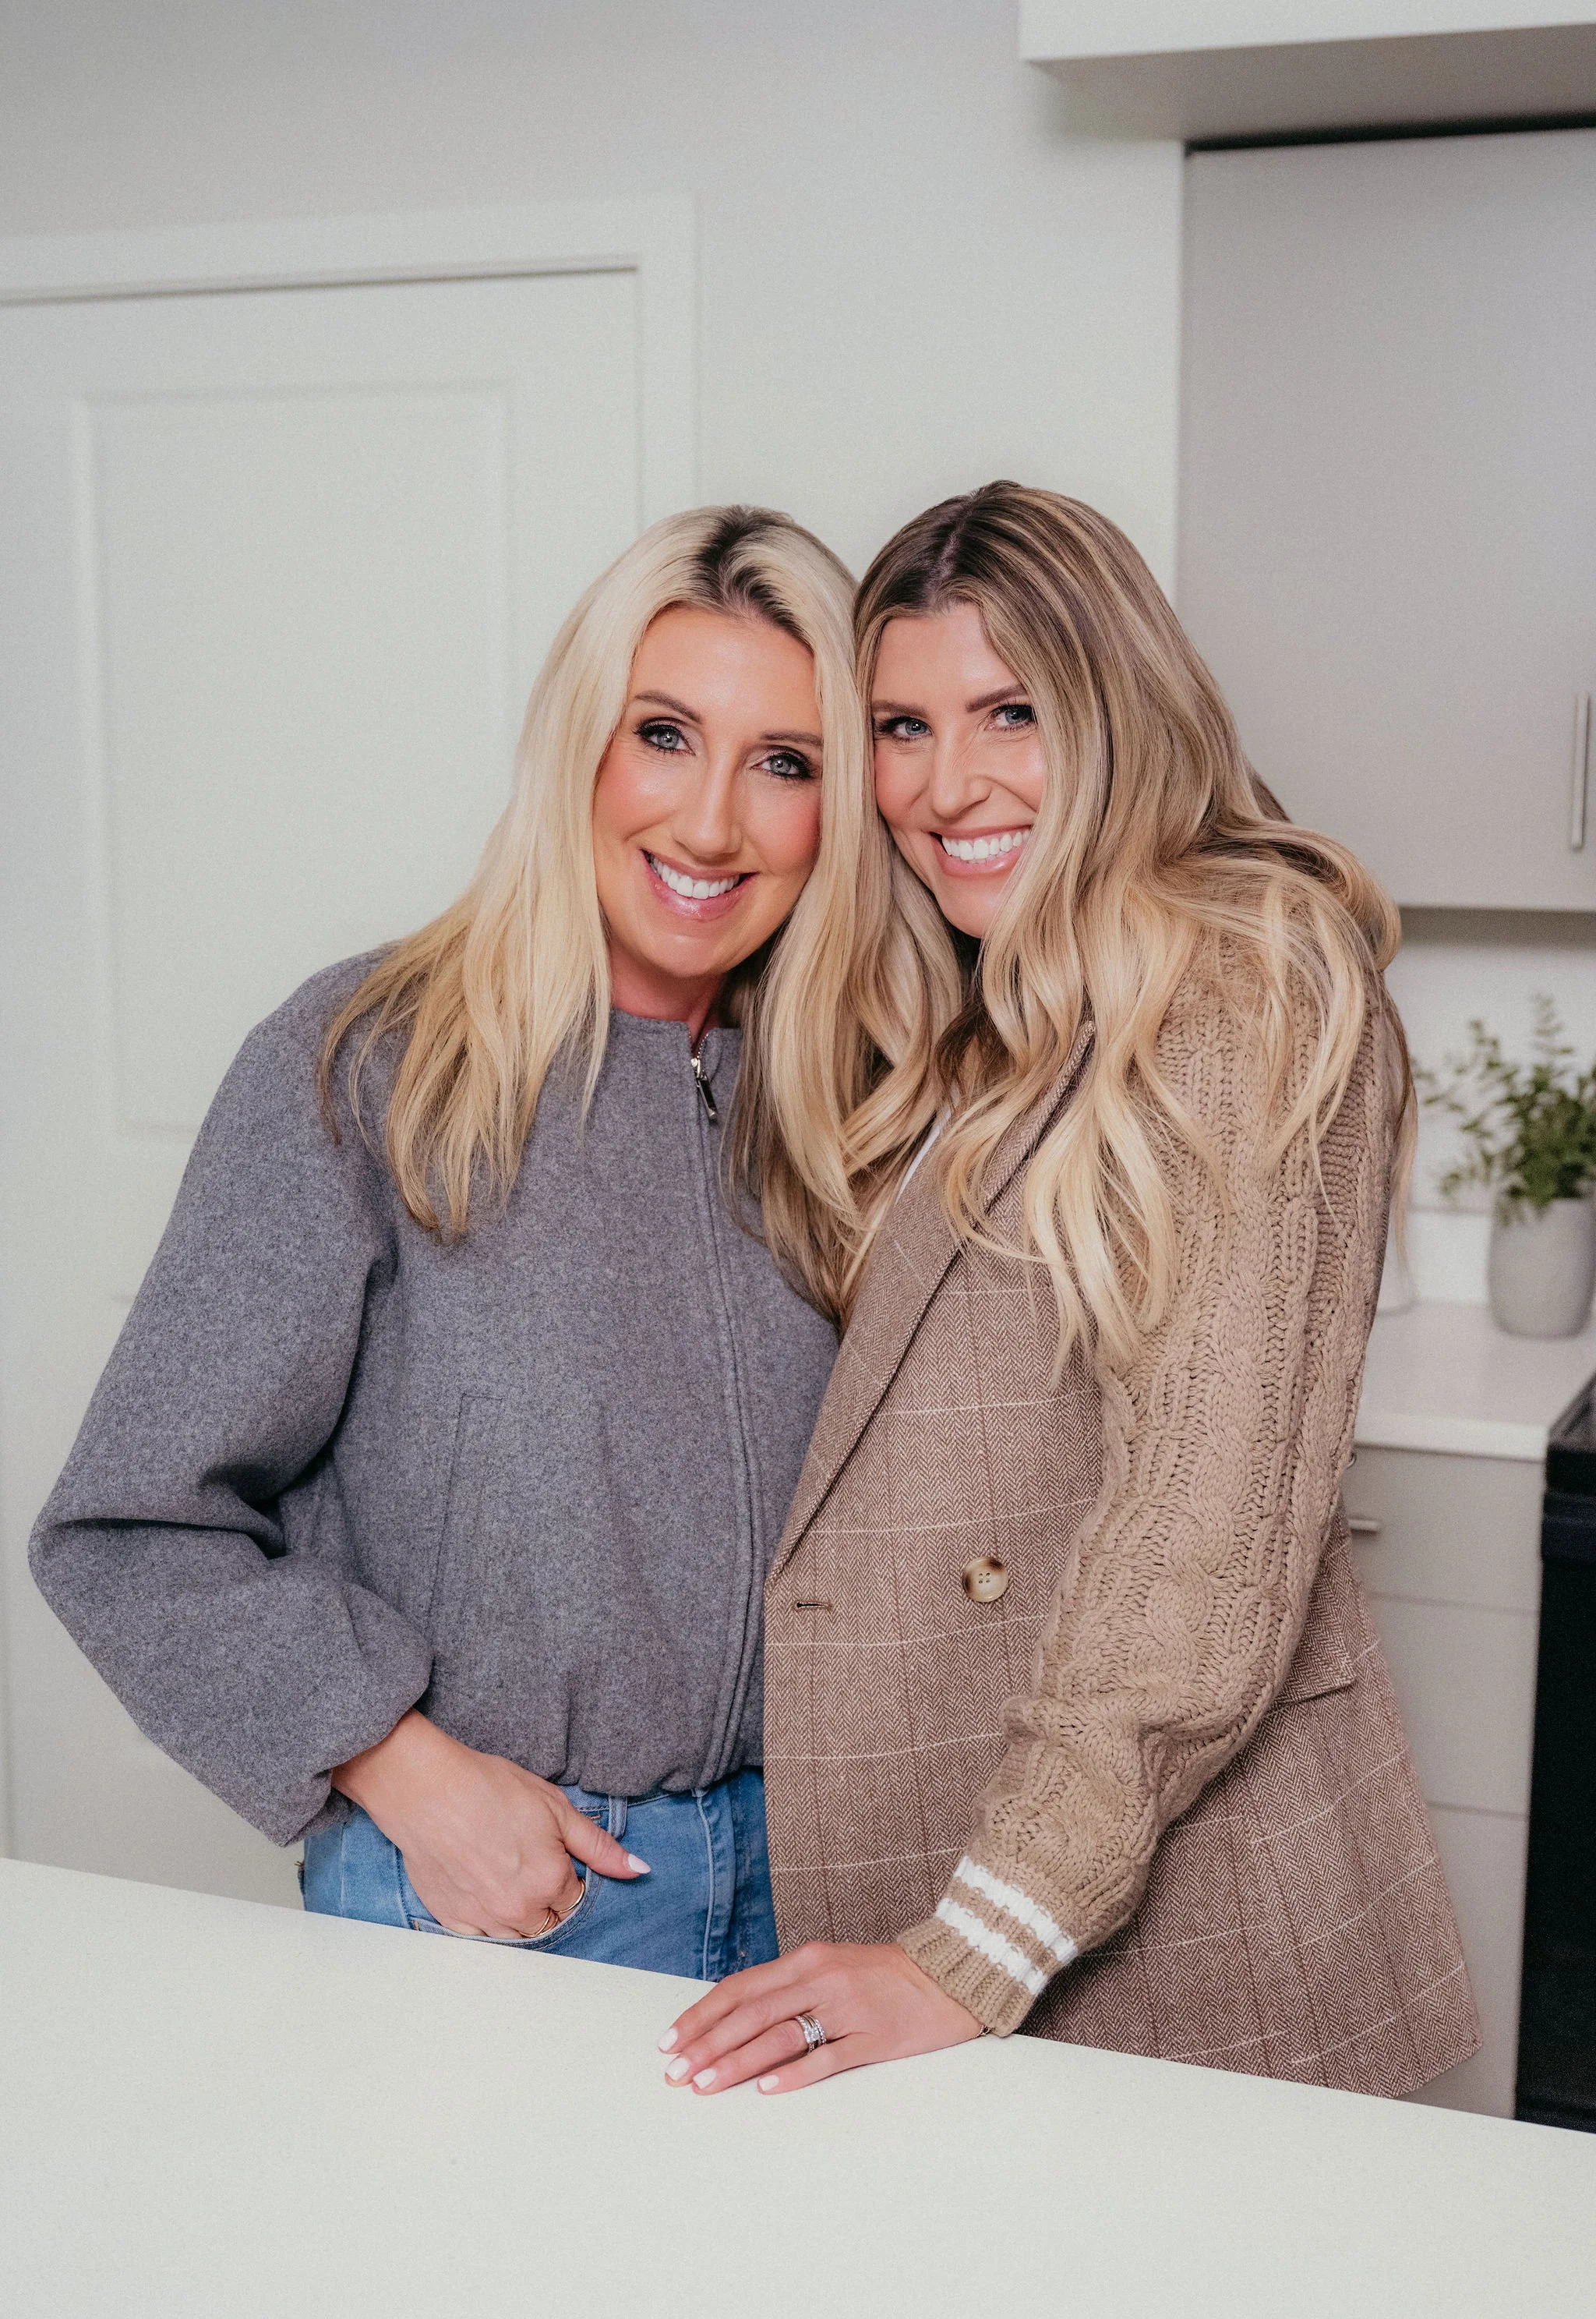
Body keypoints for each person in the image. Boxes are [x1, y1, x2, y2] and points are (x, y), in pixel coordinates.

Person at [659, 483, 1481, 2096]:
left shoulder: (1253, 969)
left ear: (1117, 714)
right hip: (966, 1891)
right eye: (899, 724)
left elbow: (1205, 1528)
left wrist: (984, 1933)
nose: (944, 784)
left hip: (1174, 1929)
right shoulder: (999, 1005)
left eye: (1009, 713)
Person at [31, 504, 867, 1978]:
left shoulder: (865, 1099)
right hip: (504, 1896)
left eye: (785, 762)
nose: (714, 821)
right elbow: (133, 1524)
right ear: (579, 747)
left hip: (838, 1905)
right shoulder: (368, 1062)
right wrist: (402, 1767)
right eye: (663, 733)